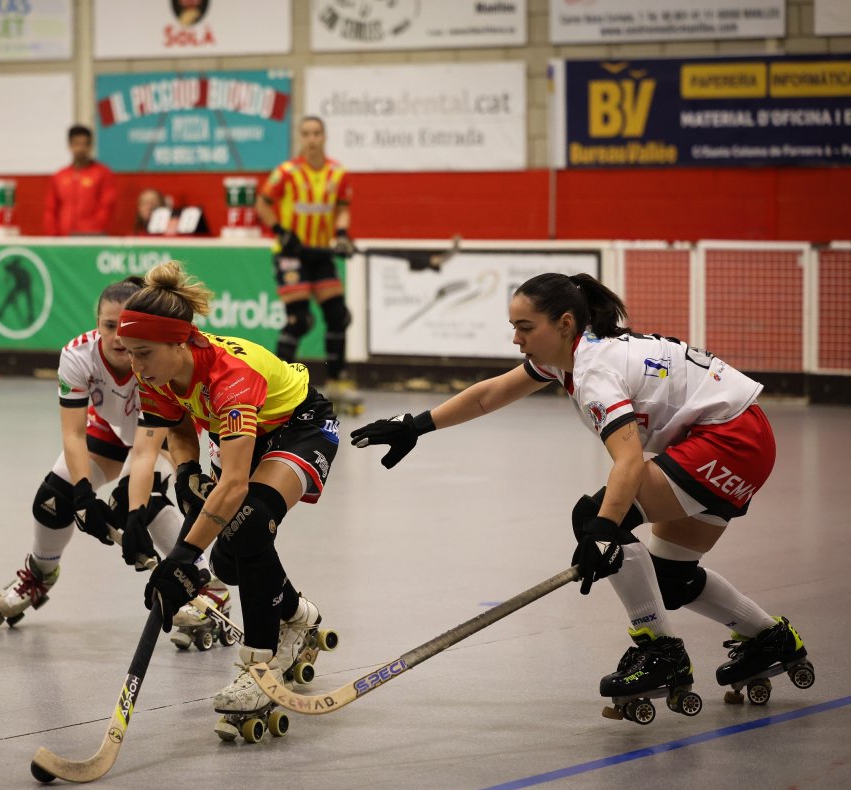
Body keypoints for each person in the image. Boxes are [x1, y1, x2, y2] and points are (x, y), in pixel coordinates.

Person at [351, 272, 812, 714]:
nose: (516, 339)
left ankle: (661, 654)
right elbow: (489, 395)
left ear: (564, 323)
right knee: (671, 577)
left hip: (729, 442)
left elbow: (628, 463)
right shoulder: (571, 352)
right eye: (514, 327)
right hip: (744, 437)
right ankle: (768, 638)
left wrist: (604, 531)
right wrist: (416, 425)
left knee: (596, 516)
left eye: (525, 327)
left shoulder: (595, 371)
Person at [116, 260, 341, 726]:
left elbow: (236, 483)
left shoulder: (229, 377)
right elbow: (176, 424)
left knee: (249, 524)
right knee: (227, 563)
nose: (134, 366)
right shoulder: (155, 371)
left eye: (143, 353)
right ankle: (298, 614)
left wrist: (180, 557)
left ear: (179, 341)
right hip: (239, 436)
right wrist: (185, 471)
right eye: (128, 353)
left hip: (299, 427)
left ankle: (259, 666)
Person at [0, 276, 229, 632]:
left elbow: (147, 450)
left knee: (142, 506)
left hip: (161, 436)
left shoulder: (151, 357)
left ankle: (210, 585)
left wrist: (132, 510)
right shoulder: (78, 355)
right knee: (54, 500)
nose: (118, 337)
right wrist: (82, 493)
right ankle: (41, 571)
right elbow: (72, 433)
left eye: (124, 326)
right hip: (112, 431)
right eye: (108, 326)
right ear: (96, 322)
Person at [256, 115, 358, 410]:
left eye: (317, 133)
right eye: (307, 133)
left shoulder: (338, 173)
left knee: (338, 315)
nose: (312, 138)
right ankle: (276, 385)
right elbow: (262, 203)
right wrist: (280, 231)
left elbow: (342, 208)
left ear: (324, 136)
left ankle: (337, 381)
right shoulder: (286, 172)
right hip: (291, 254)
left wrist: (341, 234)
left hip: (321, 253)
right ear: (301, 138)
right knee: (300, 320)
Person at [43, 124, 116, 236]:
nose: (80, 149)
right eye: (76, 144)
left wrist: (95, 231)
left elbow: (107, 207)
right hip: (63, 237)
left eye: (84, 144)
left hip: (91, 238)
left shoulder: (102, 173)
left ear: (90, 146)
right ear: (69, 146)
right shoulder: (59, 176)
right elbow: (50, 209)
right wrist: (53, 235)